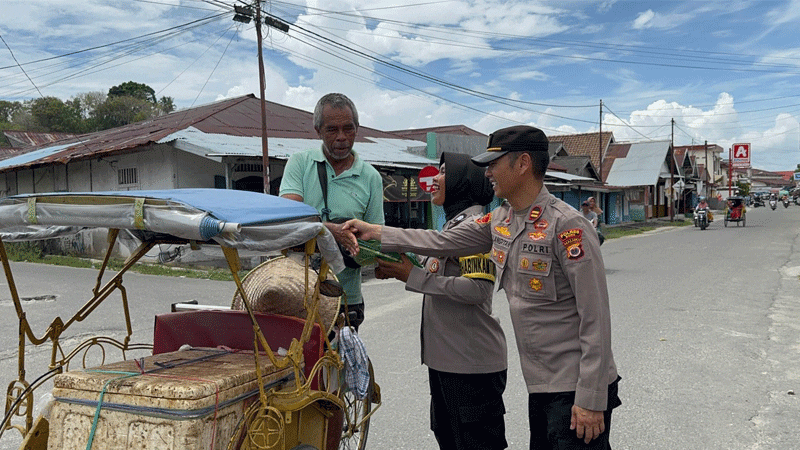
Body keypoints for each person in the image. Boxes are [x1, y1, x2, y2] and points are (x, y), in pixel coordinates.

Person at [343, 125, 621, 450]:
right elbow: (441, 240)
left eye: (494, 163)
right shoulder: (501, 219)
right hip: (542, 385)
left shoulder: (568, 226)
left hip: (576, 385)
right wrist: (374, 230)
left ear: (522, 164)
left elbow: (595, 319)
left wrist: (590, 397)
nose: (487, 172)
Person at [375, 152, 508, 450]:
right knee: (450, 439)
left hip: (471, 367)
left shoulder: (476, 227)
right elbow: (433, 260)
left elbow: (478, 290)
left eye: (444, 172)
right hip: (448, 363)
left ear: (463, 181)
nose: (434, 179)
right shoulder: (452, 226)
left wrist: (411, 276)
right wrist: (401, 263)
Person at [279, 93, 384, 330]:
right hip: (297, 293)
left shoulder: (371, 178)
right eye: (332, 130)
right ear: (317, 131)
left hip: (346, 299)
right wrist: (330, 232)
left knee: (343, 365)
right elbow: (287, 220)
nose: (341, 138)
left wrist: (356, 244)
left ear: (357, 129)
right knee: (299, 363)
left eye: (349, 129)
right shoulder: (299, 163)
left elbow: (376, 241)